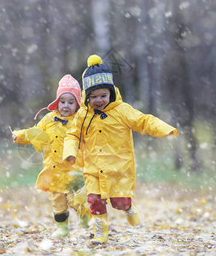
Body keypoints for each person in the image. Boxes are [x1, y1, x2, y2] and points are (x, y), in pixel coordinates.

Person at [63, 55, 179, 244]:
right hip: (93, 169)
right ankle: (101, 234)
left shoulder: (122, 110)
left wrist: (165, 129)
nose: (99, 100)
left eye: (103, 96)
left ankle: (128, 207)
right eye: (93, 97)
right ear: (86, 96)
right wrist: (69, 152)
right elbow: (72, 135)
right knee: (94, 201)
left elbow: (143, 121)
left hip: (119, 169)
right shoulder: (83, 115)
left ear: (111, 93)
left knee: (119, 202)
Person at [12, 74, 89, 238]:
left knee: (76, 199)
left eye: (71, 102)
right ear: (57, 102)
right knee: (57, 201)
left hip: (73, 169)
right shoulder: (48, 119)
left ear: (77, 103)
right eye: (62, 102)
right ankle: (62, 228)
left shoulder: (80, 120)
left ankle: (84, 215)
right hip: (53, 170)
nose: (66, 106)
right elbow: (36, 134)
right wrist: (20, 136)